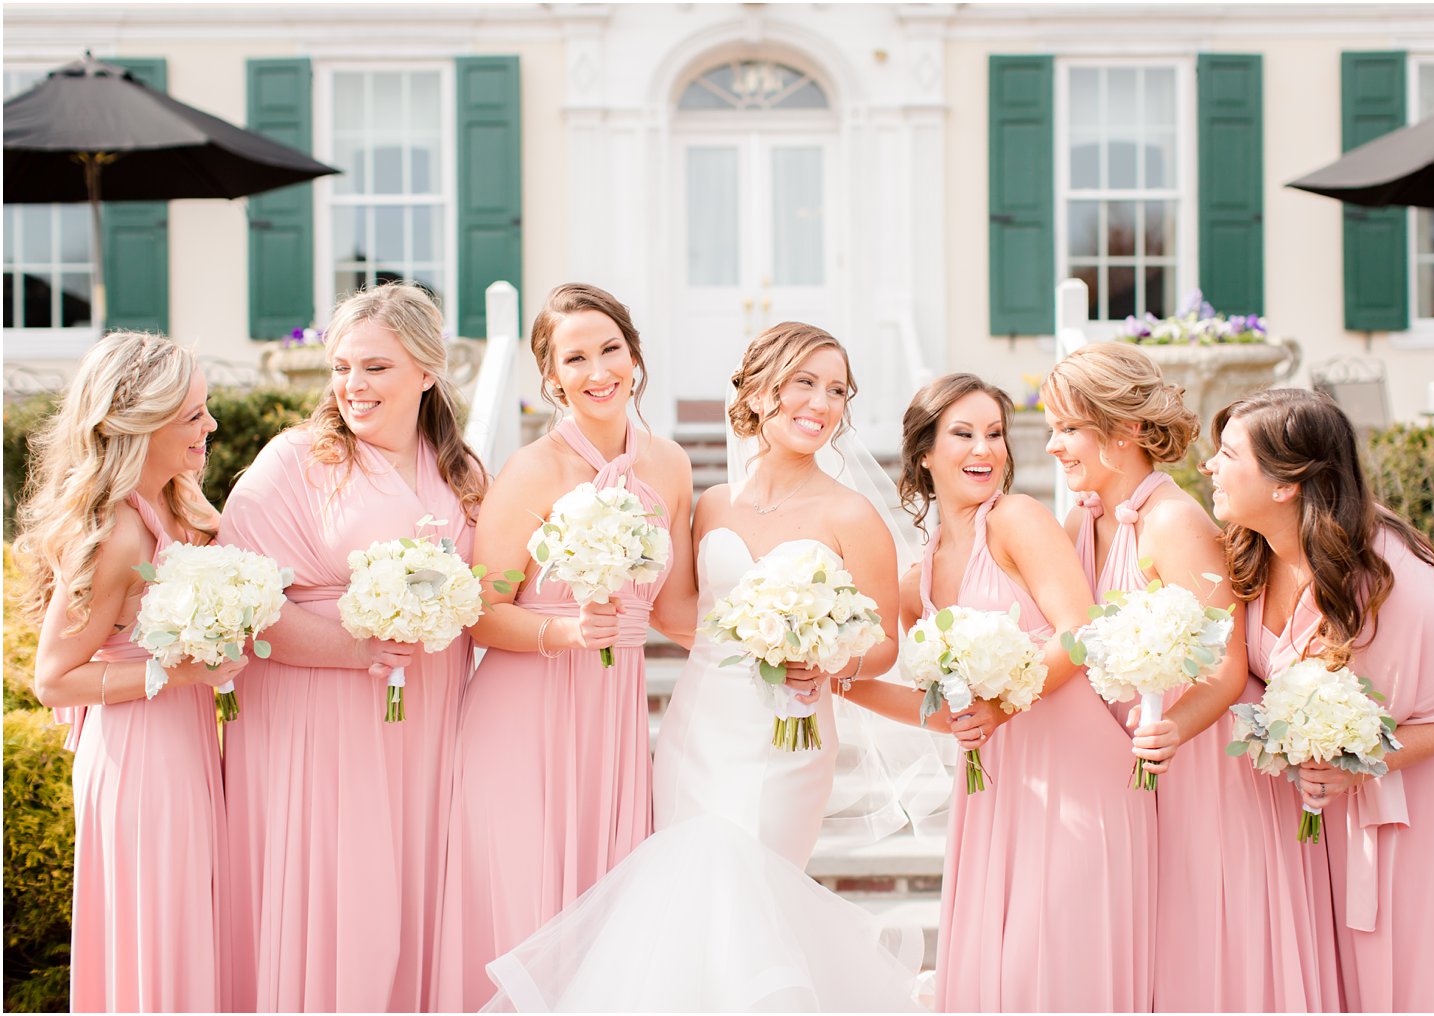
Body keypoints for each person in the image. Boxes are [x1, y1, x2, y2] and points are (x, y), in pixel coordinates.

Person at [478, 322, 924, 1011]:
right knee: (684, 908)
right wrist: (601, 573)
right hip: (698, 731)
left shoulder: (853, 513)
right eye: (804, 382)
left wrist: (828, 659)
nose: (822, 403)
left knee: (749, 895)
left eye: (837, 390)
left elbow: (885, 645)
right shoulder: (713, 502)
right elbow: (677, 608)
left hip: (787, 737)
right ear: (757, 391)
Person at [839, 373, 1155, 1011]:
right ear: (925, 453)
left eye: (995, 434)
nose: (984, 450)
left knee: (1061, 965)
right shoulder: (914, 583)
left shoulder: (1016, 520)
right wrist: (837, 683)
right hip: (998, 792)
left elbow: (1079, 633)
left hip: (1078, 775)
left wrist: (999, 705)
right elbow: (943, 715)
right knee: (1006, 978)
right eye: (963, 434)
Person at [1042, 343, 1339, 1011]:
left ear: (1121, 429)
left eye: (1068, 427)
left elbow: (1229, 667)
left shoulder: (1175, 522)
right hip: (1142, 771)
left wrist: (1168, 729)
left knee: (1210, 942)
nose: (1055, 446)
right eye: (1051, 428)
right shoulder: (1079, 518)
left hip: (1207, 768)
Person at [217, 283, 488, 1012]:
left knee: (408, 882)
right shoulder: (297, 462)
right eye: (342, 367)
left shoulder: (461, 473)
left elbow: (490, 593)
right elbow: (243, 602)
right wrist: (357, 648)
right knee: (337, 886)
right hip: (316, 718)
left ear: (426, 371)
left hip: (426, 720)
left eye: (375, 367)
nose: (352, 386)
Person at [430, 283, 696, 1011]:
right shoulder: (531, 472)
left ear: (635, 358)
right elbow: (479, 615)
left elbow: (677, 612)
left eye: (610, 348)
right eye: (575, 357)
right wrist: (564, 632)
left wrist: (777, 639)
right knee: (525, 906)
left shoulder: (669, 466)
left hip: (611, 720)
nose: (598, 369)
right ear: (550, 377)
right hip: (523, 720)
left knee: (603, 906)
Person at [1205, 387, 1434, 1012]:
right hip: (1334, 785)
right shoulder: (1252, 549)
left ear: (1287, 483)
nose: (1209, 465)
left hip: (1427, 777)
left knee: (1415, 955)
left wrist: (1356, 767)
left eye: (1228, 453)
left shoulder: (1391, 582)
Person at [19, 332, 236, 1012]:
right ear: (136, 424)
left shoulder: (176, 506)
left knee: (185, 925)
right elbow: (52, 679)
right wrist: (176, 678)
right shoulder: (116, 532)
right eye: (193, 415)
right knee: (159, 931)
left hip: (184, 738)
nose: (211, 425)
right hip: (142, 756)